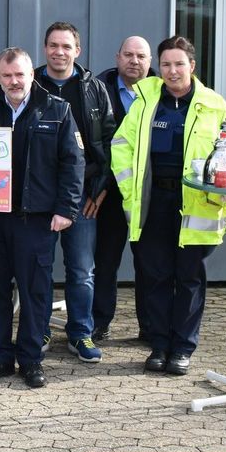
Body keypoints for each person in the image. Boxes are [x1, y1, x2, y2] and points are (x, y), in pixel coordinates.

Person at [111, 36, 226, 376]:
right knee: (156, 277)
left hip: (196, 204)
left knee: (190, 278)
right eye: (165, 64)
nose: (172, 70)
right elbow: (120, 144)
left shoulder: (213, 104)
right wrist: (128, 191)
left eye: (179, 63)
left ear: (192, 66)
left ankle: (182, 348)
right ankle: (159, 345)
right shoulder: (147, 99)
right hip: (154, 203)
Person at [0, 48, 84, 388]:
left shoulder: (57, 109)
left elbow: (73, 163)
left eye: (19, 75)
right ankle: (1, 355)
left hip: (37, 218)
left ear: (31, 74)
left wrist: (67, 209)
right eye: (6, 76)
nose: (13, 82)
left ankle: (31, 359)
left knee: (35, 291)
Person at [33, 22, 116, 362]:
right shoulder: (30, 83)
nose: (59, 52)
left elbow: (110, 142)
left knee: (82, 269)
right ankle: (39, 329)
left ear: (77, 51)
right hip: (38, 194)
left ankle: (80, 333)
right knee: (38, 267)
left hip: (83, 195)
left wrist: (102, 188)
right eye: (53, 45)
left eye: (66, 46)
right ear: (45, 48)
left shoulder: (93, 88)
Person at [93, 35, 155, 342]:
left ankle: (150, 327)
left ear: (150, 61)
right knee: (105, 262)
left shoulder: (161, 92)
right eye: (128, 55)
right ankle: (99, 322)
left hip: (148, 195)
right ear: (117, 57)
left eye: (141, 56)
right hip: (111, 193)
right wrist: (101, 186)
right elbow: (98, 144)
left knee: (149, 263)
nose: (134, 61)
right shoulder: (98, 90)